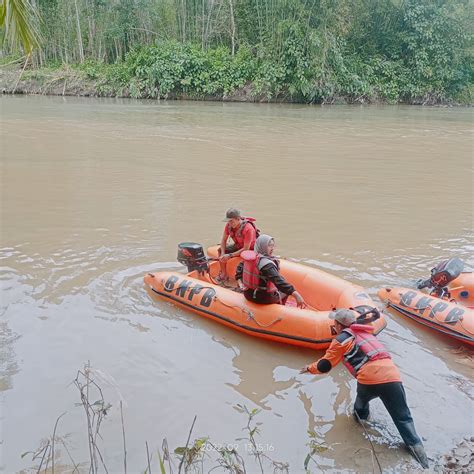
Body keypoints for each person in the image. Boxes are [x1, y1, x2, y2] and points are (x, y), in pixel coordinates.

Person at [299, 308, 429, 469]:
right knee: (403, 417)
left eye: (335, 323)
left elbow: (325, 365)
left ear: (339, 325)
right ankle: (421, 457)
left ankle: (360, 428)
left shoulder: (341, 340)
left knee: (360, 408)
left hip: (369, 380)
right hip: (393, 376)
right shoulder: (368, 333)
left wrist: (309, 368)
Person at [235, 234, 306, 308]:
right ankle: (280, 308)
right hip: (262, 298)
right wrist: (296, 294)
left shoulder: (250, 258)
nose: (272, 248)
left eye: (273, 246)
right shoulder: (267, 265)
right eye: (269, 246)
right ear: (262, 246)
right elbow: (279, 282)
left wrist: (240, 283)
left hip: (248, 294)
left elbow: (239, 271)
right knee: (285, 292)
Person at [218, 208, 258, 281]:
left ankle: (244, 280)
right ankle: (224, 274)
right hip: (239, 246)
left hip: (250, 249)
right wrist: (223, 254)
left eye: (231, 221)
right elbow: (224, 240)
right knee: (220, 250)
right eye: (228, 221)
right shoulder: (228, 226)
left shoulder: (248, 229)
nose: (229, 223)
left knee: (245, 257)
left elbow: (246, 249)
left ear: (238, 219)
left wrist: (230, 255)